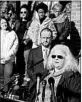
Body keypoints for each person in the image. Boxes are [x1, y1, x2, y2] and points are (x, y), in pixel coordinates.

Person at [0, 17, 18, 91]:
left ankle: (5, 92)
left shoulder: (12, 33)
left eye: (5, 22)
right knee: (0, 77)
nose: (4, 24)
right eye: (2, 23)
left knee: (7, 76)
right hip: (0, 59)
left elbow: (15, 46)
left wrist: (9, 55)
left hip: (9, 59)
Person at [15, 4, 32, 75]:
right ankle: (18, 78)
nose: (23, 14)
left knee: (26, 62)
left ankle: (26, 78)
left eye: (25, 12)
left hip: (26, 45)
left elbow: (32, 34)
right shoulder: (17, 22)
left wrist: (26, 41)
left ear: (28, 13)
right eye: (21, 12)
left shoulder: (31, 22)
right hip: (18, 45)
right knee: (18, 61)